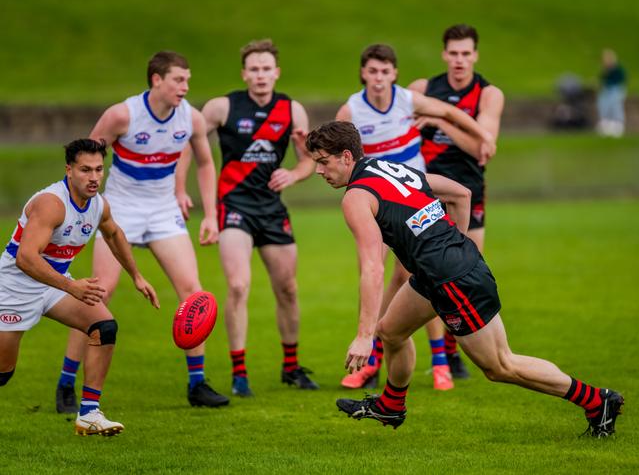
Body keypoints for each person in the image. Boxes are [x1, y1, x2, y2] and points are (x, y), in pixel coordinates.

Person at [306, 121, 623, 438]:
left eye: (323, 161)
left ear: (346, 156)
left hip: (452, 280)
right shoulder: (384, 167)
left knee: (500, 366)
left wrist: (363, 336)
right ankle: (391, 405)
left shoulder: (356, 197)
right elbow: (459, 193)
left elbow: (373, 268)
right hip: (439, 273)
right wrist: (454, 243)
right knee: (391, 331)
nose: (319, 171)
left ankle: (598, 401)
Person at [54, 51, 229, 413]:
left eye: (188, 80)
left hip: (164, 211)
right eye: (179, 80)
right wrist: (78, 213)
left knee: (192, 292)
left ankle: (197, 384)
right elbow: (85, 160)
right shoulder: (123, 115)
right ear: (156, 80)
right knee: (98, 293)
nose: (186, 86)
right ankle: (66, 384)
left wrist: (210, 214)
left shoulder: (191, 118)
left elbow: (206, 162)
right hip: (121, 210)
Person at [335, 43, 495, 390]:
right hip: (376, 205)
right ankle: (371, 359)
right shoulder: (351, 110)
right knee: (372, 276)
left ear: (394, 74)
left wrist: (483, 135)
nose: (379, 78)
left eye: (385, 71)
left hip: (415, 200)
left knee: (419, 275)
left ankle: (439, 362)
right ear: (363, 73)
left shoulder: (406, 100)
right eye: (372, 71)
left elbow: (451, 114)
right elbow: (335, 150)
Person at [176, 39, 317, 397]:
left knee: (288, 288)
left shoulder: (292, 111)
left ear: (276, 72)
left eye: (266, 68)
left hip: (272, 209)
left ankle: (291, 366)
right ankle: (240, 374)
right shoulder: (222, 107)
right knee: (238, 286)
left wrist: (295, 174)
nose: (260, 75)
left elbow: (309, 159)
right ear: (244, 74)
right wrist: (179, 187)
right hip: (234, 207)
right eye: (254, 69)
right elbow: (186, 143)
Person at [0, 139, 159, 435]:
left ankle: (88, 413)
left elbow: (113, 235)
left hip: (53, 283)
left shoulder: (98, 204)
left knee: (104, 326)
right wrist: (71, 287)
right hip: (14, 287)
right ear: (69, 170)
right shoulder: (51, 204)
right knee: (3, 373)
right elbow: (25, 258)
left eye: (99, 169)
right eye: (85, 170)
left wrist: (137, 276)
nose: (94, 177)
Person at [409, 24, 505, 379]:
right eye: (454, 52)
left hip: (467, 191)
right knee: (423, 274)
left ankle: (452, 352)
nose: (460, 60)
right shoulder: (422, 88)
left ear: (475, 55)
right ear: (444, 54)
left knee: (464, 272)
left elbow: (481, 148)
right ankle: (437, 357)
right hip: (425, 191)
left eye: (466, 53)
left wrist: (441, 118)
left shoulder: (488, 94)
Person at [597, 49, 627, 137]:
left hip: (615, 89)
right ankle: (605, 123)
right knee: (603, 104)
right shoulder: (605, 70)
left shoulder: (618, 69)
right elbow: (602, 79)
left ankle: (618, 124)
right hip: (606, 90)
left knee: (615, 105)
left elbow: (621, 79)